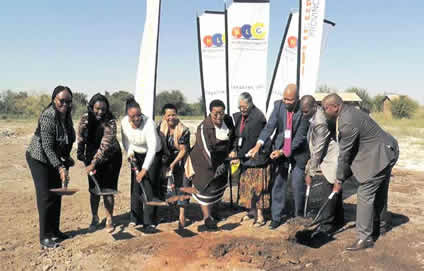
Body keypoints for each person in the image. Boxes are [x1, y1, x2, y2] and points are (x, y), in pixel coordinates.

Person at [322, 93, 399, 251]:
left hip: (380, 153)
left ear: (335, 107)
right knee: (379, 192)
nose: (324, 111)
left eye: (325, 108)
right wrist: (344, 176)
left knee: (365, 193)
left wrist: (338, 181)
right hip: (387, 149)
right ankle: (381, 226)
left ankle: (364, 238)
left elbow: (344, 155)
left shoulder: (346, 122)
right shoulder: (350, 111)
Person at [248, 84, 309, 230]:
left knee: (297, 184)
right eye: (285, 98)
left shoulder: (304, 110)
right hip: (280, 148)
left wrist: (283, 151)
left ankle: (298, 217)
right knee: (278, 184)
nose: (287, 102)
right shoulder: (278, 106)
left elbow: (299, 137)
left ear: (297, 99)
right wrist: (258, 144)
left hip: (297, 151)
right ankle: (276, 217)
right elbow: (269, 127)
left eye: (290, 100)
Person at [26, 85, 76, 249]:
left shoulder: (67, 116)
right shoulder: (48, 116)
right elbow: (47, 147)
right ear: (54, 99)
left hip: (54, 158)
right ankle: (45, 237)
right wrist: (60, 168)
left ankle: (55, 231)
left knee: (56, 194)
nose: (65, 105)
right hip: (39, 158)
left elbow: (68, 139)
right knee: (46, 196)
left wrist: (66, 159)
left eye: (69, 101)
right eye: (62, 101)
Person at [76, 93, 122, 233]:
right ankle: (95, 218)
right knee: (94, 190)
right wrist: (80, 153)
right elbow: (80, 136)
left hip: (111, 158)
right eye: (97, 108)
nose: (100, 112)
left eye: (103, 109)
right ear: (91, 107)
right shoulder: (85, 118)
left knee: (108, 190)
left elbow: (105, 146)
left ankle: (109, 219)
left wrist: (93, 163)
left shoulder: (111, 121)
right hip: (91, 155)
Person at [300, 95, 344, 237]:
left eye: (305, 111)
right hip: (328, 157)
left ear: (314, 107)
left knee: (328, 190)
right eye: (302, 111)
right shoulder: (314, 116)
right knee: (334, 190)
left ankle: (326, 225)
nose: (303, 114)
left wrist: (310, 173)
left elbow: (318, 151)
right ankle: (338, 219)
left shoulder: (320, 122)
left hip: (331, 159)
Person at [189, 99, 235, 229]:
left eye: (222, 113)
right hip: (204, 162)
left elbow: (233, 137)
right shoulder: (204, 127)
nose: (219, 116)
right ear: (210, 113)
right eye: (216, 114)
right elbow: (205, 149)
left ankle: (215, 211)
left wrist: (232, 151)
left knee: (219, 185)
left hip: (221, 159)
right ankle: (207, 217)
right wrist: (214, 167)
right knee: (206, 187)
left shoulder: (228, 121)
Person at [121, 97, 162, 233]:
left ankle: (150, 220)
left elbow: (152, 148)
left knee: (149, 186)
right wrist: (130, 153)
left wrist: (144, 170)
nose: (137, 119)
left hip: (153, 155)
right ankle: (135, 217)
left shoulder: (149, 123)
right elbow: (126, 141)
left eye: (139, 115)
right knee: (136, 186)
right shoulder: (124, 123)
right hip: (136, 154)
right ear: (128, 115)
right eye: (133, 116)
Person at [232, 92, 269, 227]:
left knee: (258, 188)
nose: (242, 109)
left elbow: (254, 140)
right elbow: (237, 136)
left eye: (244, 106)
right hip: (245, 158)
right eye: (240, 107)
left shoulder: (257, 117)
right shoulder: (240, 117)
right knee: (247, 187)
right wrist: (235, 150)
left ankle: (260, 216)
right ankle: (252, 211)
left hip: (257, 159)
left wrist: (245, 152)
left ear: (250, 103)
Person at [157, 103, 192, 228]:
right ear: (164, 116)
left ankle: (182, 215)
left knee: (183, 186)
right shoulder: (160, 127)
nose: (171, 117)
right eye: (168, 115)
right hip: (167, 160)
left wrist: (172, 164)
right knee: (169, 187)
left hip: (181, 160)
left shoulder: (184, 130)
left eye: (173, 115)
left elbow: (183, 150)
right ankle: (171, 213)